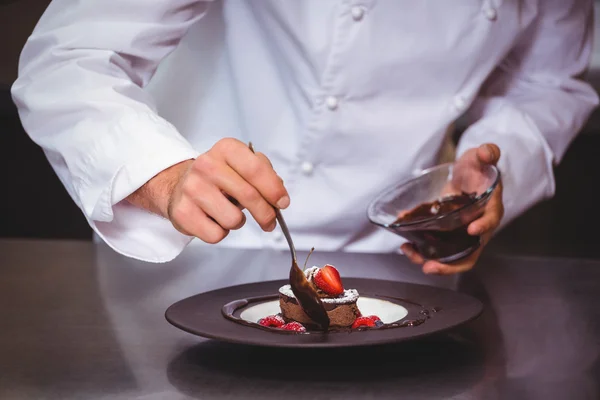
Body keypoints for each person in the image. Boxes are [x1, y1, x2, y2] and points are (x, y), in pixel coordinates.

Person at [11, 1, 598, 275]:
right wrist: (163, 177)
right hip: (184, 256)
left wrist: (498, 165)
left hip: (391, 265)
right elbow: (69, 60)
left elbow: (550, 80)